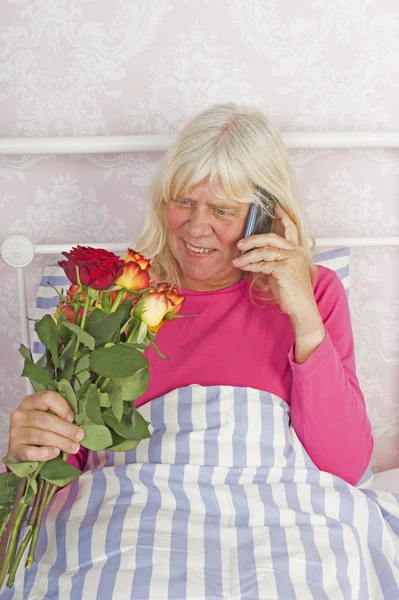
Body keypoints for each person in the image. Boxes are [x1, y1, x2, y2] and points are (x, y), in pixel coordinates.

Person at [6, 102, 373, 487]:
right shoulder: (109, 298)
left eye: (221, 211)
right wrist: (28, 448)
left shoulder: (316, 295)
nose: (196, 229)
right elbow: (62, 472)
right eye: (184, 202)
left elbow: (344, 467)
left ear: (262, 217)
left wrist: (304, 317)